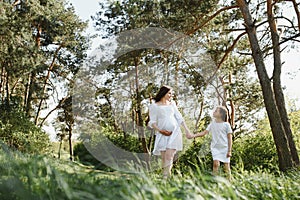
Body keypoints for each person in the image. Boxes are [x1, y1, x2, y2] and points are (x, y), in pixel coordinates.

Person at [148, 85, 192, 178]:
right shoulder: (154, 106)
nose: (171, 95)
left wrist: (187, 130)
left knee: (169, 156)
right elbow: (152, 122)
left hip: (174, 133)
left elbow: (179, 117)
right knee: (164, 158)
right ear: (164, 93)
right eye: (169, 93)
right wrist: (160, 130)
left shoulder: (172, 104)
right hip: (162, 134)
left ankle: (165, 178)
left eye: (171, 93)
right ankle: (166, 176)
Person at [192, 106, 233, 180]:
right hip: (215, 148)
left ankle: (229, 183)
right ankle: (215, 181)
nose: (214, 112)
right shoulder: (212, 124)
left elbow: (230, 138)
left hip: (225, 148)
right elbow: (204, 132)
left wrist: (229, 150)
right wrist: (193, 135)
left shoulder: (226, 125)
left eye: (216, 111)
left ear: (221, 114)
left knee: (226, 167)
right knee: (215, 164)